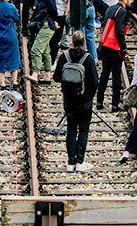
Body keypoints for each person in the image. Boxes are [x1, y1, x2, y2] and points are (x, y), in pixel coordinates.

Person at [52, 30, 98, 172]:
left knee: (71, 129)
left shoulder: (64, 57)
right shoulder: (88, 59)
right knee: (83, 129)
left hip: (69, 99)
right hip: (84, 101)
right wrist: (89, 96)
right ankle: (80, 161)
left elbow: (56, 77)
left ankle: (70, 162)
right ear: (84, 43)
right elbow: (95, 81)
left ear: (71, 42)